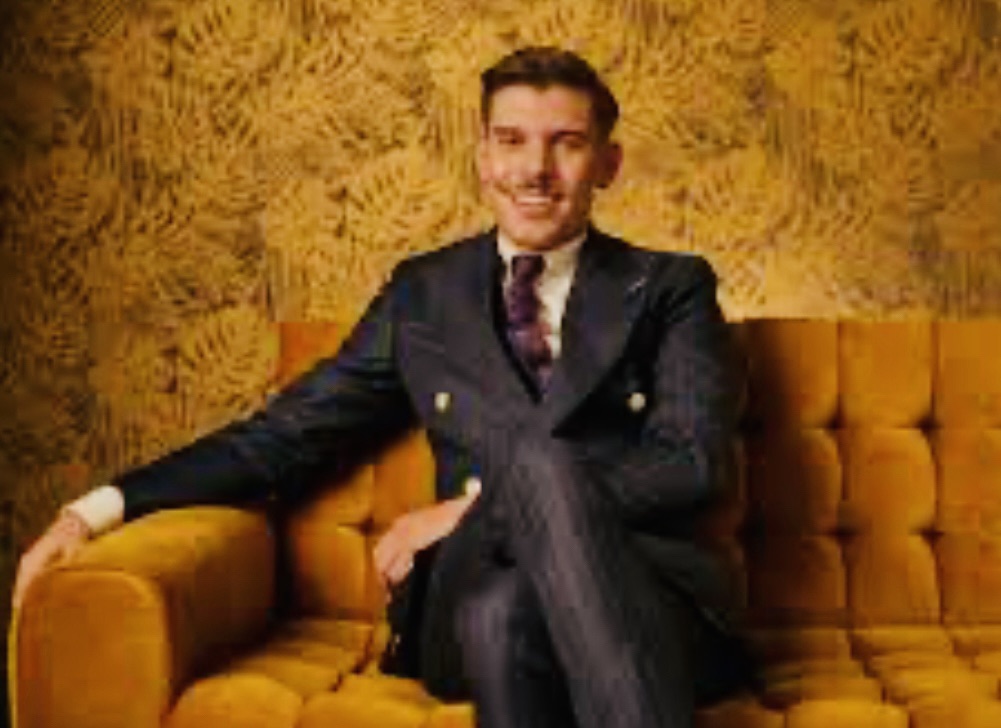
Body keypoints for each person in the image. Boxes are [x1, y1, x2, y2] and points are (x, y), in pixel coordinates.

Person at [14, 46, 752, 728]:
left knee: (505, 610)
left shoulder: (669, 288)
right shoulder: (421, 296)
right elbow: (282, 438)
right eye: (511, 140)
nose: (535, 169)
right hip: (458, 598)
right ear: (482, 158)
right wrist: (94, 511)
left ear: (608, 163)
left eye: (566, 143)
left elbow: (691, 464)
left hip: (650, 598)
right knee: (511, 537)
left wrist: (469, 511)